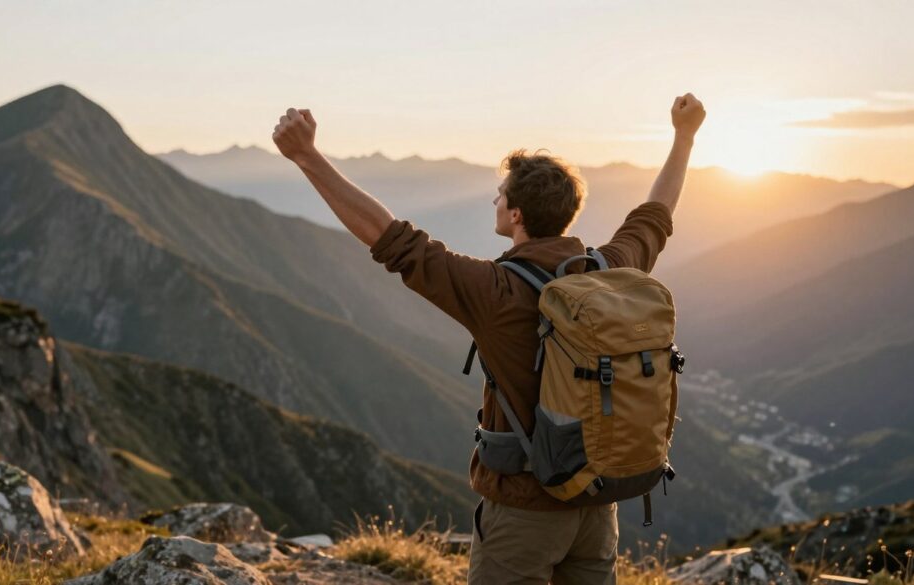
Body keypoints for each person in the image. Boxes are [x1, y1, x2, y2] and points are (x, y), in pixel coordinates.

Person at [272, 94, 706, 584]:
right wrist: (684, 136)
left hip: (524, 513)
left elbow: (391, 239)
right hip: (597, 505)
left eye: (500, 194)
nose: (494, 201)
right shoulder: (612, 270)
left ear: (516, 215)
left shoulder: (496, 291)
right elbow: (655, 215)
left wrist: (306, 157)